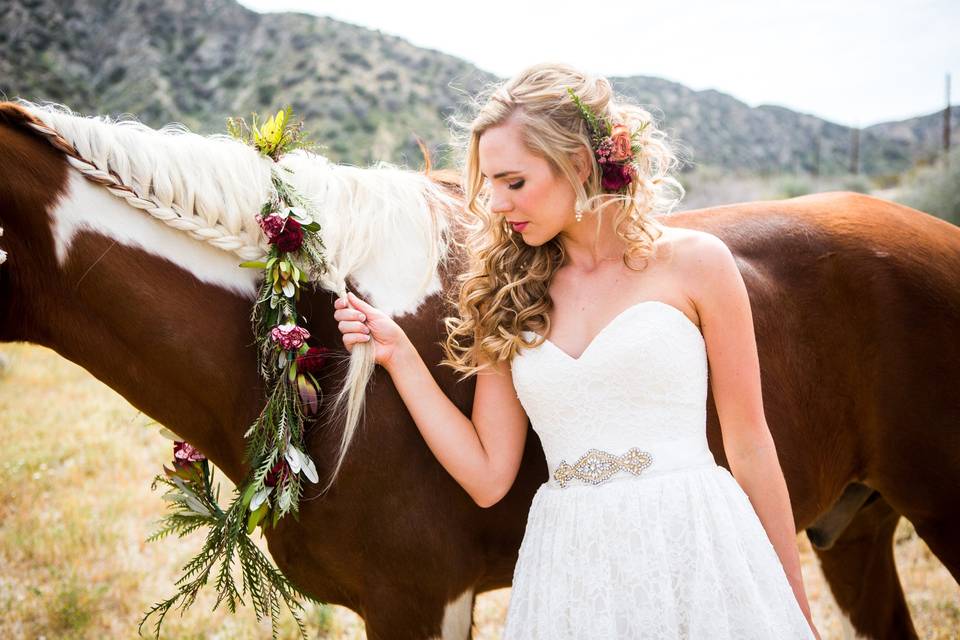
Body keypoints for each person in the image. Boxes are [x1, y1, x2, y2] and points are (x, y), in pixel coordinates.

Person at [333, 62, 820, 639]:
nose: (495, 203)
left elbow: (750, 445)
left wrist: (795, 610)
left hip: (693, 541)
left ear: (580, 164)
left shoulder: (699, 264)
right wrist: (399, 357)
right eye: (489, 184)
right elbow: (488, 475)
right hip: (572, 566)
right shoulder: (508, 294)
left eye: (514, 182)